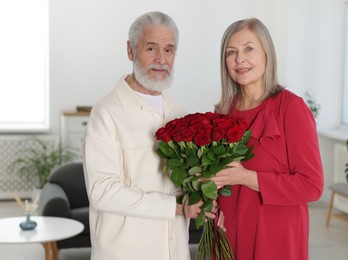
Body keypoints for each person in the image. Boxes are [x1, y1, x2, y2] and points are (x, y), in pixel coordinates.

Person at [83, 11, 213, 260]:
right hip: (124, 252)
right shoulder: (106, 112)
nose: (161, 59)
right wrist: (173, 208)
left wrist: (205, 192)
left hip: (175, 251)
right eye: (151, 48)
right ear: (131, 51)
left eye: (169, 50)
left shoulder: (181, 114)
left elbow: (187, 182)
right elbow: (102, 191)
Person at [211, 18, 324, 260]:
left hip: (276, 236)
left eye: (249, 49)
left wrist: (247, 177)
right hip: (229, 232)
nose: (240, 59)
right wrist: (212, 203)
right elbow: (217, 177)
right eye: (232, 52)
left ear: (266, 54)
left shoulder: (291, 108)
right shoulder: (222, 112)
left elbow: (312, 186)